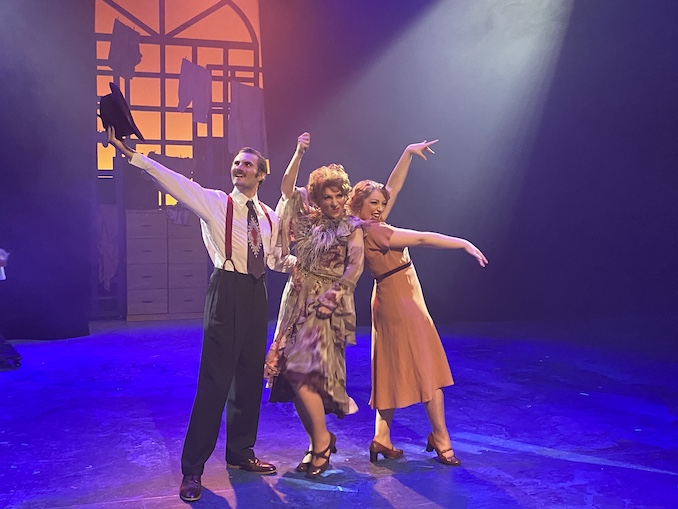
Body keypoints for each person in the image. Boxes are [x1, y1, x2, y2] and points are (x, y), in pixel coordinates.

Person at [106, 126, 292, 502]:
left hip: (257, 294)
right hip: (227, 290)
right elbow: (171, 180)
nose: (239, 168)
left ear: (261, 174)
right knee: (214, 381)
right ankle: (193, 468)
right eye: (236, 163)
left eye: (247, 165)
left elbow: (272, 259)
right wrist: (133, 156)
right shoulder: (214, 202)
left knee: (249, 378)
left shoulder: (270, 216)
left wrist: (299, 265)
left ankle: (241, 453)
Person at [346, 139, 488, 467]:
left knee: (390, 368)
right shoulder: (377, 232)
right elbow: (423, 238)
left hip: (389, 298)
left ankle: (382, 436)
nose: (380, 208)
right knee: (429, 370)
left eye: (381, 203)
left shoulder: (364, 228)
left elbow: (391, 188)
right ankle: (441, 438)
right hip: (402, 301)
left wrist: (407, 154)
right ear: (360, 207)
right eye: (373, 204)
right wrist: (463, 243)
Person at [264, 132, 364, 479]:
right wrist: (298, 152)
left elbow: (355, 266)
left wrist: (333, 295)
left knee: (300, 371)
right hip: (296, 301)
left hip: (327, 305)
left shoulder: (352, 227)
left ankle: (322, 442)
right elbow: (287, 188)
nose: (335, 202)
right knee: (292, 379)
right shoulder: (307, 219)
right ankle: (316, 441)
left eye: (339, 195)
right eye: (328, 196)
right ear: (318, 199)